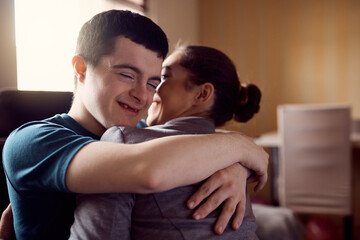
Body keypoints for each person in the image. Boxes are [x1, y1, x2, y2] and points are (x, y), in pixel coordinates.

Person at [1, 10, 268, 240]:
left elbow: (184, 146)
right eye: (127, 75)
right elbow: (146, 168)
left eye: (153, 82)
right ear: (81, 68)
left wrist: (236, 167)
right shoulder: (32, 141)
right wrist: (241, 146)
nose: (143, 95)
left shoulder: (142, 134)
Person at [70, 45, 262, 240]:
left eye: (162, 78)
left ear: (202, 94)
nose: (148, 91)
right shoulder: (236, 155)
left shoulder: (124, 140)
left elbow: (100, 235)